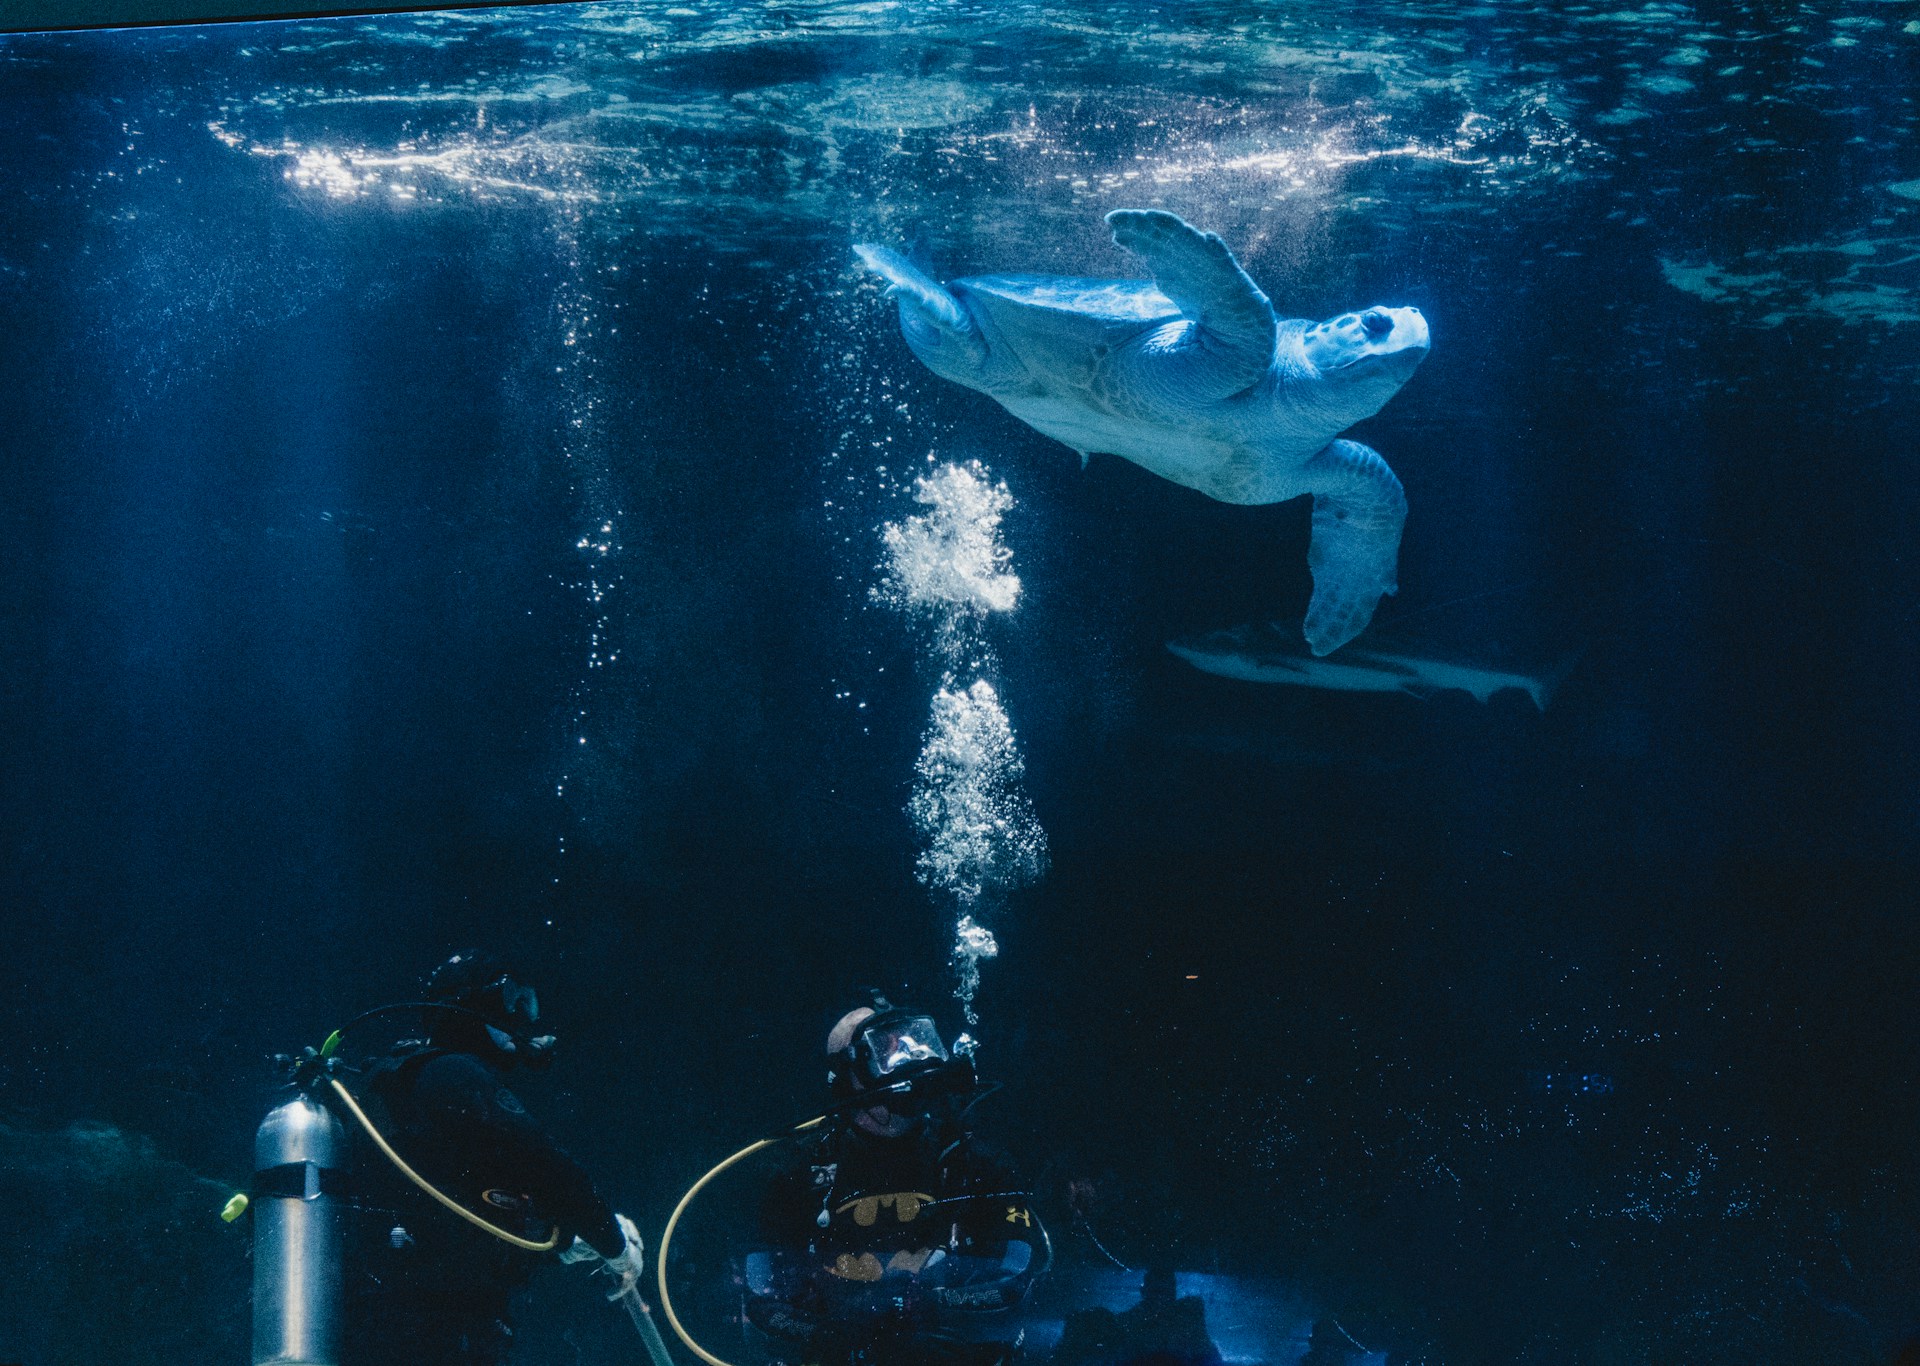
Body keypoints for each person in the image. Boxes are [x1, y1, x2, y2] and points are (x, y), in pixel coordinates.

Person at [336, 952, 643, 1366]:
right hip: (426, 1330)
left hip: (392, 1322)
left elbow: (462, 1216)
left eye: (526, 1002)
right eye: (511, 999)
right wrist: (613, 1241)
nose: (521, 1016)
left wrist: (566, 1240)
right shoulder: (453, 1074)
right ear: (471, 1007)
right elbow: (545, 1165)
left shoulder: (403, 1086)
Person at [743, 996, 1048, 1366]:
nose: (908, 1059)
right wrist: (829, 1334)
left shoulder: (977, 1161)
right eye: (885, 1051)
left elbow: (1021, 1271)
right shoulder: (795, 1172)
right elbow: (760, 1297)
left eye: (913, 1043)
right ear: (849, 1077)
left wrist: (936, 1303)